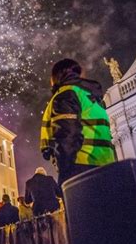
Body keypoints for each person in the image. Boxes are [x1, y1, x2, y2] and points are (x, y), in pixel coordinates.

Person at [40, 58, 115, 186]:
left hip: (80, 166)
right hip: (106, 165)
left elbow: (68, 133)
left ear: (57, 76)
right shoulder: (91, 98)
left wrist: (65, 170)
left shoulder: (66, 94)